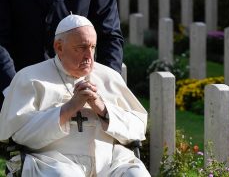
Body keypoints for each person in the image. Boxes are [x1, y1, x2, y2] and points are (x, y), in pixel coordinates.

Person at [0, 14, 150, 177]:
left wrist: (103, 110)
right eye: (81, 48)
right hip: (52, 163)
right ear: (59, 47)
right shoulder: (30, 78)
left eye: (92, 47)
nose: (89, 56)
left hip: (110, 164)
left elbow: (138, 128)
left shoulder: (109, 77)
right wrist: (69, 108)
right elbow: (20, 135)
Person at [0, 0, 123, 74]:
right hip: (20, 83)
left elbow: (109, 36)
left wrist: (105, 88)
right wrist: (12, 89)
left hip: (79, 87)